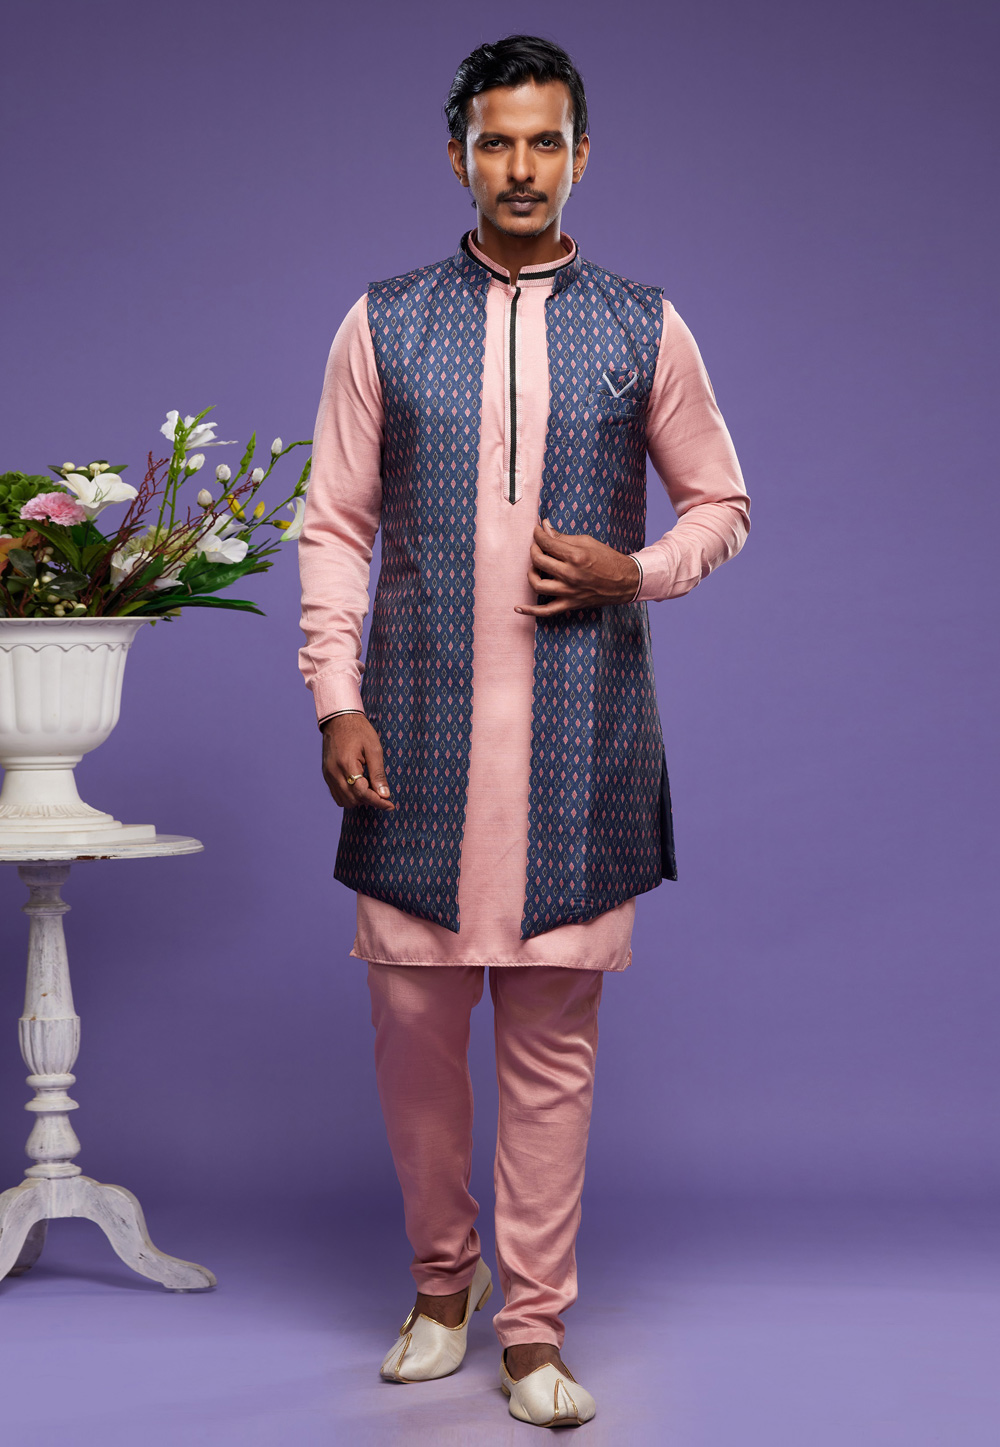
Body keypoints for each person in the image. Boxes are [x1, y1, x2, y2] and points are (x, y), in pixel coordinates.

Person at [297, 34, 750, 1430]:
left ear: (581, 156)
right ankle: (443, 1288)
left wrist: (638, 568)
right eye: (496, 141)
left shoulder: (644, 324)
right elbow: (333, 526)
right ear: (458, 157)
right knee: (413, 1038)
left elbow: (722, 502)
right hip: (414, 738)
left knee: (554, 1051)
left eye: (545, 142)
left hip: (580, 742)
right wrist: (335, 696)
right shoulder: (383, 322)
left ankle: (536, 1330)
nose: (520, 167)